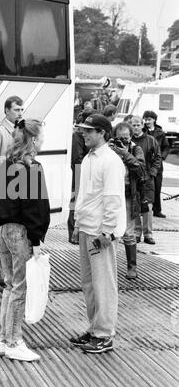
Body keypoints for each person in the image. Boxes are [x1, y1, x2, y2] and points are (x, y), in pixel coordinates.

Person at [0, 119, 50, 362]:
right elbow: (35, 207)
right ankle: (14, 341)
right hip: (20, 233)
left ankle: (5, 340)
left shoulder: (7, 165)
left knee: (9, 285)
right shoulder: (32, 166)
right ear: (34, 139)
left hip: (2, 231)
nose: (44, 140)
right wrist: (37, 240)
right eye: (42, 136)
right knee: (19, 288)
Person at [70, 114, 126, 354]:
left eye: (89, 131)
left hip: (99, 232)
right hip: (87, 227)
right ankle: (94, 329)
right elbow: (84, 194)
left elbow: (113, 199)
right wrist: (77, 223)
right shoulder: (89, 157)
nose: (84, 134)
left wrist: (107, 232)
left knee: (103, 284)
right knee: (89, 284)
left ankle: (104, 334)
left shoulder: (111, 161)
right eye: (83, 130)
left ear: (102, 132)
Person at [0, 96, 24, 285]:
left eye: (21, 110)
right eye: (16, 110)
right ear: (6, 111)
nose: (19, 113)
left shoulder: (20, 132)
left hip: (15, 185)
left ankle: (6, 268)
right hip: (2, 186)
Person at [109, 122, 146, 280]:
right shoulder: (109, 149)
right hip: (111, 193)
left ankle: (132, 267)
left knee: (128, 232)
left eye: (125, 138)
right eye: (119, 138)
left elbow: (141, 170)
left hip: (128, 194)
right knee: (109, 231)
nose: (122, 142)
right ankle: (109, 267)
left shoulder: (135, 149)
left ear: (131, 137)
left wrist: (125, 154)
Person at [131, 115, 162, 244]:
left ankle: (148, 234)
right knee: (136, 205)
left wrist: (153, 173)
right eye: (134, 125)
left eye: (138, 125)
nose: (136, 127)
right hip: (134, 178)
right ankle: (137, 233)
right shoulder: (129, 141)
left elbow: (158, 158)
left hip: (148, 178)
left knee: (148, 206)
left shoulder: (151, 140)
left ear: (142, 125)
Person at [67, 109, 95, 243]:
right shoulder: (77, 135)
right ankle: (73, 234)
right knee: (75, 204)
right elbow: (77, 158)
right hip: (79, 171)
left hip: (86, 171)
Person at [143, 110, 170, 218]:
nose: (147, 121)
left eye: (149, 119)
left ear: (154, 120)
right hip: (146, 163)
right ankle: (144, 209)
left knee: (157, 187)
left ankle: (157, 210)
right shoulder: (143, 131)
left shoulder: (160, 132)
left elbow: (166, 147)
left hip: (158, 165)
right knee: (146, 187)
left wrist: (162, 157)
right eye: (145, 119)